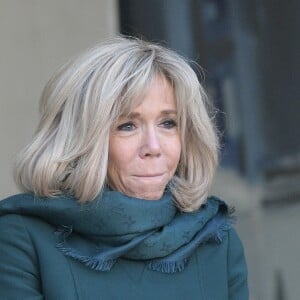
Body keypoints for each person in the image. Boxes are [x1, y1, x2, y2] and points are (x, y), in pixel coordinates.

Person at [0, 37, 248, 299]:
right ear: (81, 139)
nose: (153, 147)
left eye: (168, 123)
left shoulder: (217, 243)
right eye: (127, 126)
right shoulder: (21, 239)